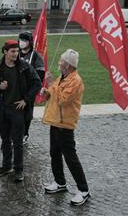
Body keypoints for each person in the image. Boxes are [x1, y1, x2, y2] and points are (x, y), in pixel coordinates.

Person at [41, 49, 91, 206]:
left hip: (65, 125)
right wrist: (47, 92)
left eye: (61, 61)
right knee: (54, 153)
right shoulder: (63, 77)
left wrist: (50, 84)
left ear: (68, 65)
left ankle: (83, 190)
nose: (59, 63)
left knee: (70, 158)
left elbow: (63, 100)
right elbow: (55, 94)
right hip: (55, 122)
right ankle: (60, 182)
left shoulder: (75, 81)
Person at [0, 40, 41, 182]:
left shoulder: (24, 66)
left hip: (17, 111)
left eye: (17, 51)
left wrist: (26, 100)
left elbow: (37, 83)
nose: (16, 54)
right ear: (5, 52)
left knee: (18, 142)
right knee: (5, 140)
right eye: (12, 51)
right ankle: (6, 166)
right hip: (2, 109)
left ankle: (19, 169)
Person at [18, 31, 45, 143]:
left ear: (29, 42)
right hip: (17, 89)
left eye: (24, 40)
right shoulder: (16, 53)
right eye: (20, 40)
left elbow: (40, 74)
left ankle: (25, 132)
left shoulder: (36, 56)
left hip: (29, 90)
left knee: (27, 112)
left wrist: (31, 85)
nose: (22, 43)